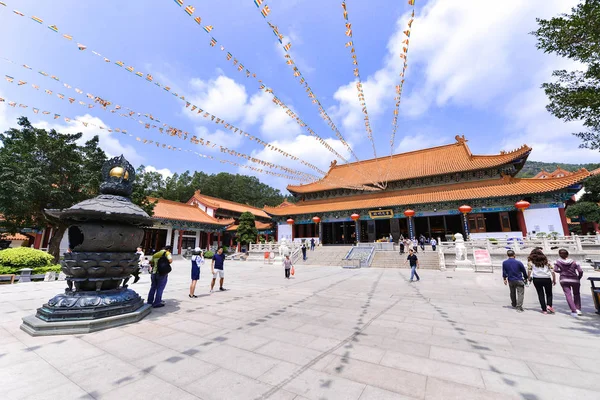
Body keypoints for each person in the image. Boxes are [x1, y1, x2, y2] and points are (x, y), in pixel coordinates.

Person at [554, 249, 584, 316]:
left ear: (559, 254)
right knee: (576, 294)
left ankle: (573, 310)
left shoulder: (557, 262)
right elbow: (580, 271)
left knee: (568, 295)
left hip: (564, 279)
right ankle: (578, 309)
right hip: (574, 279)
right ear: (567, 254)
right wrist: (579, 277)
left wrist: (561, 272)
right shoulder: (574, 262)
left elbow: (555, 269)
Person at [527, 249, 556, 314]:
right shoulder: (547, 261)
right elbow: (552, 271)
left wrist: (528, 279)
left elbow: (529, 271)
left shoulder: (530, 262)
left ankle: (544, 310)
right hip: (546, 278)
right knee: (549, 293)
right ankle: (549, 305)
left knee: (540, 294)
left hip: (536, 279)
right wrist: (554, 279)